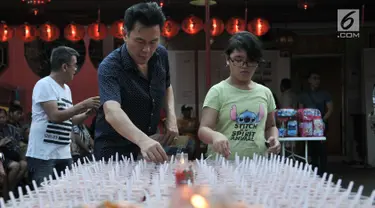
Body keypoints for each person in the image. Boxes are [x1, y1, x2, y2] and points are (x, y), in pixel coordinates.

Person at [94, 2, 178, 163]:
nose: (146, 49)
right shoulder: (110, 66)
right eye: (140, 41)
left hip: (148, 146)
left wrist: (171, 117)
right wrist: (142, 140)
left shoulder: (161, 55)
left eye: (153, 41)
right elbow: (112, 111)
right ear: (125, 34)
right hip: (114, 150)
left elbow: (167, 86)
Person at [198, 31, 280, 160]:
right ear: (228, 59)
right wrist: (215, 136)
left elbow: (271, 126)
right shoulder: (218, 91)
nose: (244, 66)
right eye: (238, 59)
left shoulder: (265, 93)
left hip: (257, 164)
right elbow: (203, 130)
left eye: (251, 61)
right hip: (222, 164)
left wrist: (274, 138)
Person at [26, 46, 100, 186]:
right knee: (44, 197)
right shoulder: (44, 84)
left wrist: (86, 114)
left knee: (63, 194)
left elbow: (69, 121)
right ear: (65, 67)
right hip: (44, 155)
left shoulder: (66, 89)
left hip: (63, 153)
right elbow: (55, 116)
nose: (76, 69)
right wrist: (83, 104)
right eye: (74, 65)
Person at [298, 71, 333, 176]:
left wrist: (322, 120)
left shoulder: (325, 94)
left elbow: (330, 109)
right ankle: (313, 171)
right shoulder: (303, 95)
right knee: (311, 148)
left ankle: (323, 173)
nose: (317, 80)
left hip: (320, 124)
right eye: (314, 78)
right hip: (307, 126)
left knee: (322, 149)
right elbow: (300, 110)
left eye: (318, 78)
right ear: (309, 80)